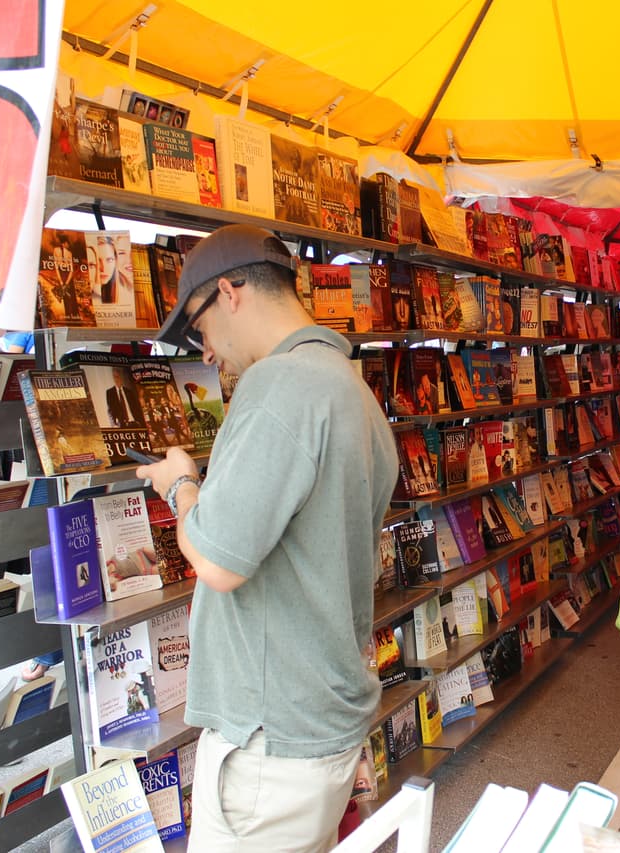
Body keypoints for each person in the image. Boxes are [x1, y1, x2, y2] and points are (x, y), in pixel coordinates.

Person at [134, 224, 398, 853]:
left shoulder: (280, 385)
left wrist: (181, 485)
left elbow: (219, 561)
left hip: (269, 739)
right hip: (317, 720)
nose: (204, 353)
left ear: (229, 292)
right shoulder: (350, 388)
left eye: (198, 329)